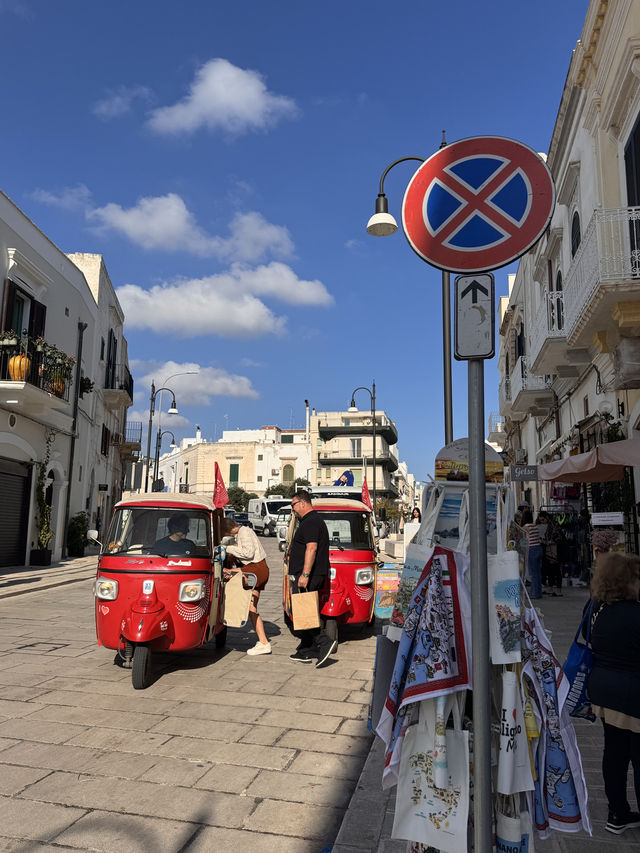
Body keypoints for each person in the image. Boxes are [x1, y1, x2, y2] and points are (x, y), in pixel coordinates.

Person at [587, 551, 640, 835]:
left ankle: (617, 812)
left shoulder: (596, 608)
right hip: (631, 692)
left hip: (604, 690)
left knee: (615, 753)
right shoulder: (634, 614)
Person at [287, 489, 336, 668]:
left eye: (293, 505)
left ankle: (324, 642)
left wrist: (305, 574)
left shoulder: (311, 522)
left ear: (302, 503)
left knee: (305, 612)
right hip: (307, 574)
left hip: (308, 575)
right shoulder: (309, 521)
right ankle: (306, 649)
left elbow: (312, 548)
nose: (293, 509)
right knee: (302, 612)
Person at [221, 517, 271, 656]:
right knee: (251, 608)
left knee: (250, 607)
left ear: (227, 530)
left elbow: (248, 553)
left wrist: (227, 547)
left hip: (255, 569)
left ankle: (264, 643)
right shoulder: (240, 534)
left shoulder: (244, 531)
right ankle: (263, 642)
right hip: (255, 569)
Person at [521, 508, 542, 599]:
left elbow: (519, 534)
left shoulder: (526, 527)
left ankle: (534, 593)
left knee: (533, 573)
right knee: (537, 572)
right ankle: (538, 592)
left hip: (532, 549)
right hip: (538, 548)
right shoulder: (535, 526)